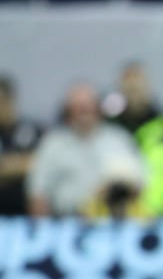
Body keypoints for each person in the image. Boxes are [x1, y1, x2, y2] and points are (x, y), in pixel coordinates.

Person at [27, 83, 146, 218]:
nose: (85, 111)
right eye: (79, 107)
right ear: (67, 111)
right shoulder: (52, 144)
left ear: (98, 108)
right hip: (66, 224)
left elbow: (140, 184)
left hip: (114, 222)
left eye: (89, 105)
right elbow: (37, 195)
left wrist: (110, 193)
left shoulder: (119, 140)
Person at [104, 62, 163, 217]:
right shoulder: (110, 129)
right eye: (129, 88)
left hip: (162, 217)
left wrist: (154, 206)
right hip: (113, 217)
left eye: (138, 87)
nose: (134, 93)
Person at [0, 75, 46, 216]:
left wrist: (7, 166)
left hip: (26, 214)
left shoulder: (33, 130)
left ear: (11, 100)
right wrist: (21, 164)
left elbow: (44, 163)